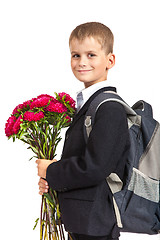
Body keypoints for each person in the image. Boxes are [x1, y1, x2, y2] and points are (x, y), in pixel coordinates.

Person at [36, 22, 130, 240]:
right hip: (82, 221)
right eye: (76, 55)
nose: (82, 62)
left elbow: (95, 167)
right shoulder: (89, 105)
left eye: (91, 55)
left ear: (110, 60)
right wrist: (53, 182)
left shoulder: (110, 108)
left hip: (96, 223)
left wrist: (52, 170)